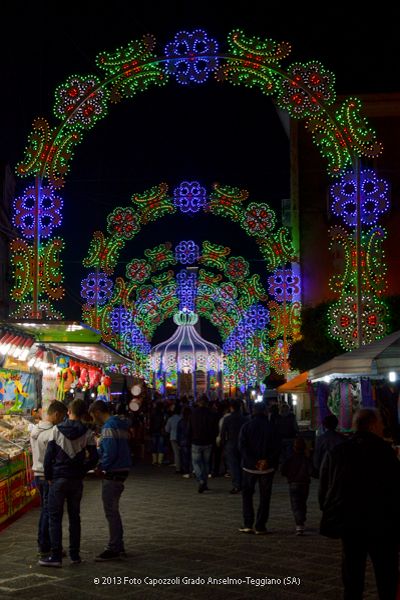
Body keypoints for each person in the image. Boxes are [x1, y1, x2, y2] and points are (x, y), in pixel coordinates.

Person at [319, 408, 400, 600]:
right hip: (382, 524)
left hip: (350, 523)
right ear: (372, 425)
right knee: (386, 575)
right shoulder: (385, 452)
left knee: (352, 576)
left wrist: (332, 513)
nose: (383, 427)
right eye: (380, 423)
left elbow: (325, 488)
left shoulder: (339, 452)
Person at [40, 399, 98, 567]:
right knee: (74, 517)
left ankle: (56, 556)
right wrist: (82, 470)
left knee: (55, 518)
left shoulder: (56, 430)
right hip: (76, 481)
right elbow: (94, 458)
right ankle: (75, 555)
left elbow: (48, 457)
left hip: (58, 479)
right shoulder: (87, 433)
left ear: (69, 411)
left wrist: (49, 476)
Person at [89, 399, 132, 561]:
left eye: (93, 416)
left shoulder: (108, 427)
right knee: (113, 510)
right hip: (123, 469)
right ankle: (118, 545)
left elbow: (110, 452)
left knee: (111, 511)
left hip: (114, 471)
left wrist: (101, 466)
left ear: (98, 413)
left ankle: (114, 547)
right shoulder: (120, 424)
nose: (93, 420)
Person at [30, 401, 67, 557]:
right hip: (48, 475)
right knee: (48, 511)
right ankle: (45, 545)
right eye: (63, 416)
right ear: (57, 414)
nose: (63, 420)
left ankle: (44, 543)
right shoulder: (53, 432)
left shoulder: (34, 430)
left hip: (37, 474)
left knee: (45, 510)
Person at [238, 402, 281, 534]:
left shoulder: (246, 427)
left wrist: (253, 461)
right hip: (267, 467)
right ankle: (261, 525)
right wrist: (266, 461)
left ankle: (248, 523)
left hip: (249, 467)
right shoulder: (272, 427)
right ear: (265, 412)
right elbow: (278, 447)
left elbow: (242, 447)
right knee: (265, 496)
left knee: (247, 495)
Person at [281, 436, 313, 535]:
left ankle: (299, 523)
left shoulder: (290, 459)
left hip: (293, 483)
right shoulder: (306, 459)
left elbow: (283, 470)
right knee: (303, 503)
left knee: (296, 504)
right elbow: (312, 471)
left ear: (294, 448)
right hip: (304, 483)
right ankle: (302, 519)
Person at [189, 395, 218, 493]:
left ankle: (201, 479)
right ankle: (204, 482)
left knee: (196, 462)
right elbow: (215, 428)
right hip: (208, 441)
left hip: (196, 440)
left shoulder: (193, 413)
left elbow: (190, 428)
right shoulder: (212, 414)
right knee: (206, 463)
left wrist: (189, 438)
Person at [220, 399, 248, 494]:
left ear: (231, 408)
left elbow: (223, 433)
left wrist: (223, 445)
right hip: (243, 444)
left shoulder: (227, 419)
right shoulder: (245, 419)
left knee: (233, 465)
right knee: (242, 465)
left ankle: (236, 485)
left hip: (231, 443)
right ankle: (244, 484)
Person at [165, 406, 182, 473]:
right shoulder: (181, 418)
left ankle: (178, 468)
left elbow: (167, 429)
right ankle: (183, 466)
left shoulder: (170, 419)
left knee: (176, 453)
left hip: (173, 437)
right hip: (181, 437)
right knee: (182, 452)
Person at [149, 401, 166, 465]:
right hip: (160, 431)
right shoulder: (163, 414)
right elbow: (164, 423)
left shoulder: (153, 413)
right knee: (160, 446)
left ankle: (154, 461)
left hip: (154, 431)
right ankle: (160, 461)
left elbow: (151, 423)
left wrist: (150, 431)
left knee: (154, 446)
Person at [177, 406, 192, 478]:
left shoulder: (181, 422)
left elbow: (178, 433)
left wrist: (178, 442)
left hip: (183, 441)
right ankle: (193, 470)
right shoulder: (192, 421)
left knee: (185, 457)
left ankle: (186, 471)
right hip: (191, 441)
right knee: (192, 457)